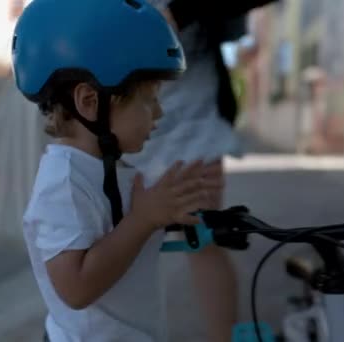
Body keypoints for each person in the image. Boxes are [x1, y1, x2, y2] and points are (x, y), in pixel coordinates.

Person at [13, 0, 221, 340]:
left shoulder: (109, 166)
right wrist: (144, 220)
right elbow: (76, 289)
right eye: (149, 98)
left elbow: (116, 237)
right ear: (90, 102)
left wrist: (168, 213)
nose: (158, 112)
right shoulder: (63, 183)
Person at [119, 2, 277, 341]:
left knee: (202, 236)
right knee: (115, 246)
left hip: (188, 105)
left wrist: (181, 10)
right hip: (114, 106)